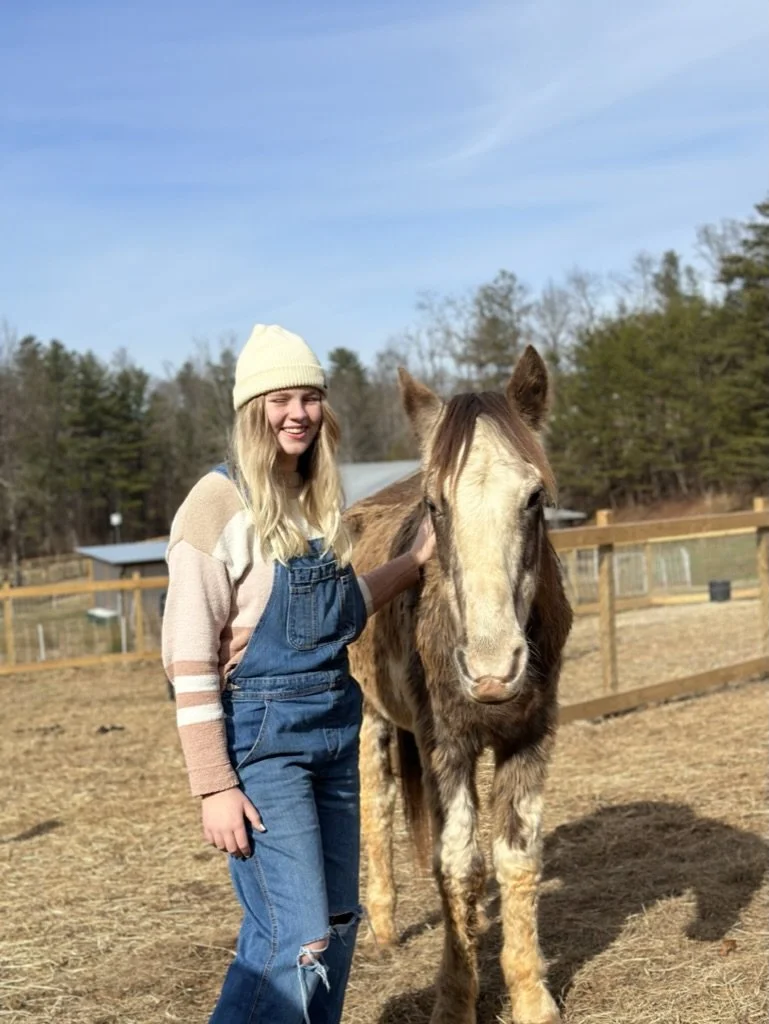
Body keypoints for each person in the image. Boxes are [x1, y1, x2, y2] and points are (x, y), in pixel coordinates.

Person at [161, 324, 435, 1024]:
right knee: (295, 937)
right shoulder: (215, 504)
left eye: (309, 397)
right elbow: (187, 660)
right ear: (252, 410)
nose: (298, 413)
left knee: (337, 924)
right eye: (280, 398)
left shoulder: (315, 499)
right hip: (263, 746)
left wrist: (412, 564)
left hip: (330, 736)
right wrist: (214, 785)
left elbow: (337, 613)